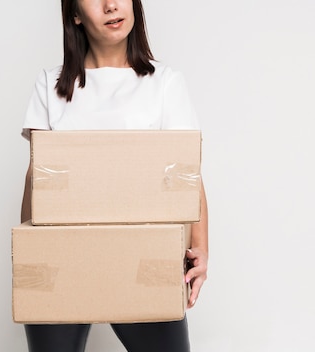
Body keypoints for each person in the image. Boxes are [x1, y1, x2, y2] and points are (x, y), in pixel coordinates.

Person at [19, 1, 208, 351]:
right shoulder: (51, 85)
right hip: (65, 261)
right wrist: (34, 260)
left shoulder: (164, 83)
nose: (110, 5)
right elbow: (37, 180)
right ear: (75, 13)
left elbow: (187, 174)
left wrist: (201, 249)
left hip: (145, 259)